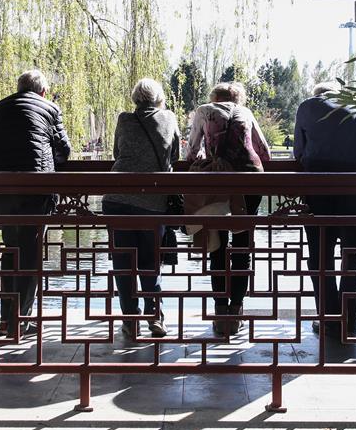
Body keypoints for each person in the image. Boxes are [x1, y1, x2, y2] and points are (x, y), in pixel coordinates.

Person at [0, 69, 72, 337]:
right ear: (42, 91)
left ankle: (6, 319)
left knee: (11, 252)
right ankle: (21, 320)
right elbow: (64, 150)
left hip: (1, 191)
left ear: (19, 88)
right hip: (35, 191)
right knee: (30, 255)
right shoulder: (50, 108)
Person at [186, 82, 270, 336]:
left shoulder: (205, 111)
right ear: (238, 98)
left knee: (217, 246)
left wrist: (202, 158)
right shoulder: (246, 113)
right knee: (243, 246)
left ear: (214, 97)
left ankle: (221, 312)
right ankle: (237, 310)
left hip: (219, 181)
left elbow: (191, 151)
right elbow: (265, 152)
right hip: (250, 183)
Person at [102, 78, 180, 340]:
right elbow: (175, 157)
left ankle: (130, 320)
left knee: (123, 262)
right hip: (153, 201)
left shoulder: (124, 119)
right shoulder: (169, 118)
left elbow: (117, 153)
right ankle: (155, 317)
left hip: (117, 199)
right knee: (150, 261)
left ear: (135, 98)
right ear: (158, 97)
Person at [293, 82, 356, 336]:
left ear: (318, 95)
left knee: (319, 254)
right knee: (352, 253)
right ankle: (349, 317)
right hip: (355, 189)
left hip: (318, 188)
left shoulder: (306, 107)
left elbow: (298, 152)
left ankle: (328, 318)